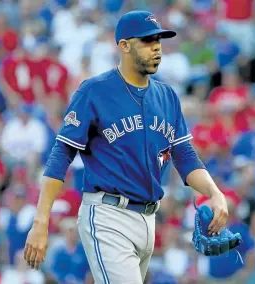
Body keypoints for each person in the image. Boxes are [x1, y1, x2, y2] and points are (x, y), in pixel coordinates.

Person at [23, 10, 228, 284]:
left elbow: (185, 157)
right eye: (147, 40)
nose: (156, 47)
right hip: (107, 215)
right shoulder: (95, 91)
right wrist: (41, 221)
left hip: (148, 219)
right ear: (124, 45)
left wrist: (214, 193)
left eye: (159, 40)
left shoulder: (166, 96)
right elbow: (62, 155)